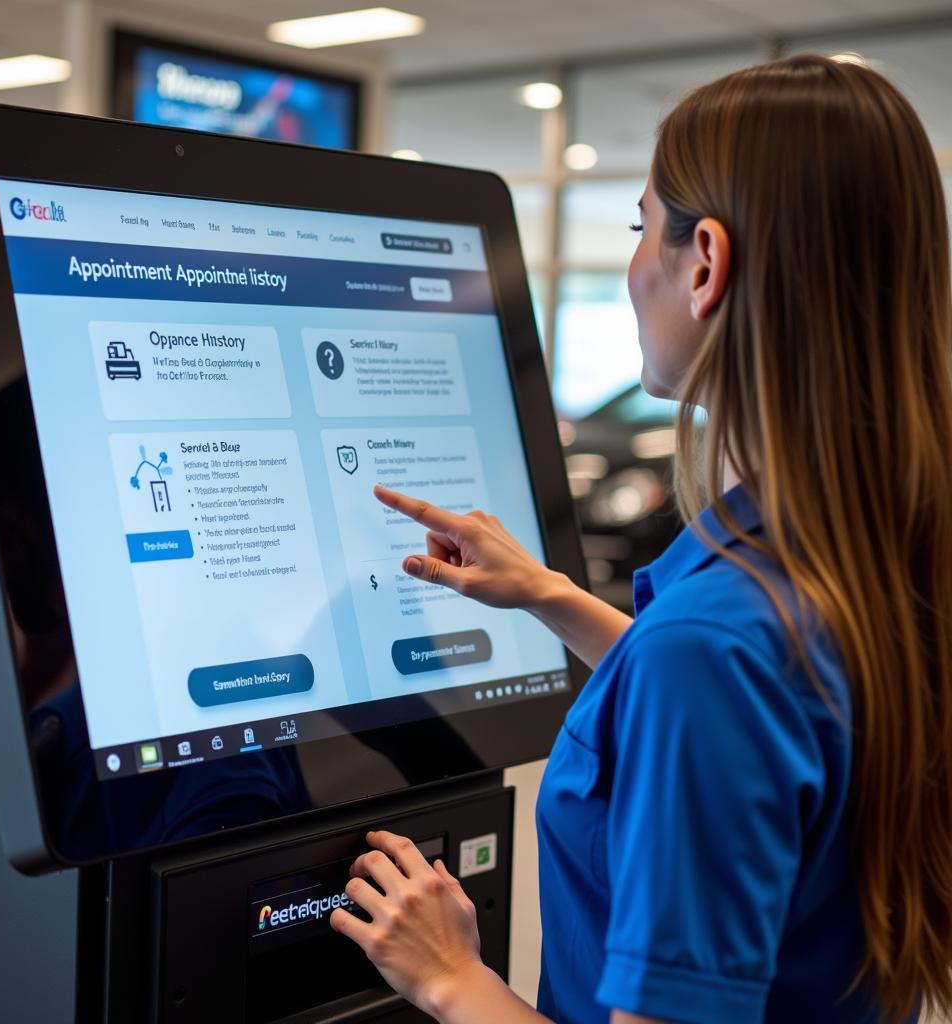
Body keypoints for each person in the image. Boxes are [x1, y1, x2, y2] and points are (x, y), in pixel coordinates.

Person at [329, 54, 952, 1024]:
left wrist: (452, 978)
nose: (631, 265)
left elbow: (715, 686)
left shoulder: (712, 648)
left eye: (637, 228)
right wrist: (550, 596)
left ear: (704, 261)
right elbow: (764, 721)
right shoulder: (867, 570)